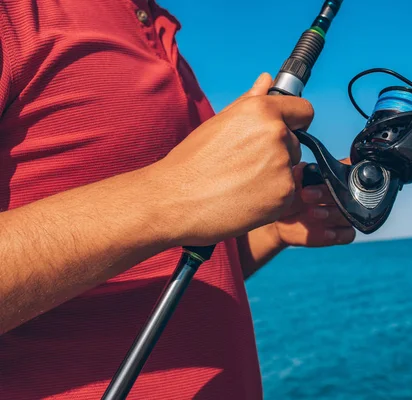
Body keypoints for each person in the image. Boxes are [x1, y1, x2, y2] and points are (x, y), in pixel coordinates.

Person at [0, 1, 355, 398]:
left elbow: (167, 264)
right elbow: (171, 205)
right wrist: (174, 194)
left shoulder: (165, 39)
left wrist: (273, 230)